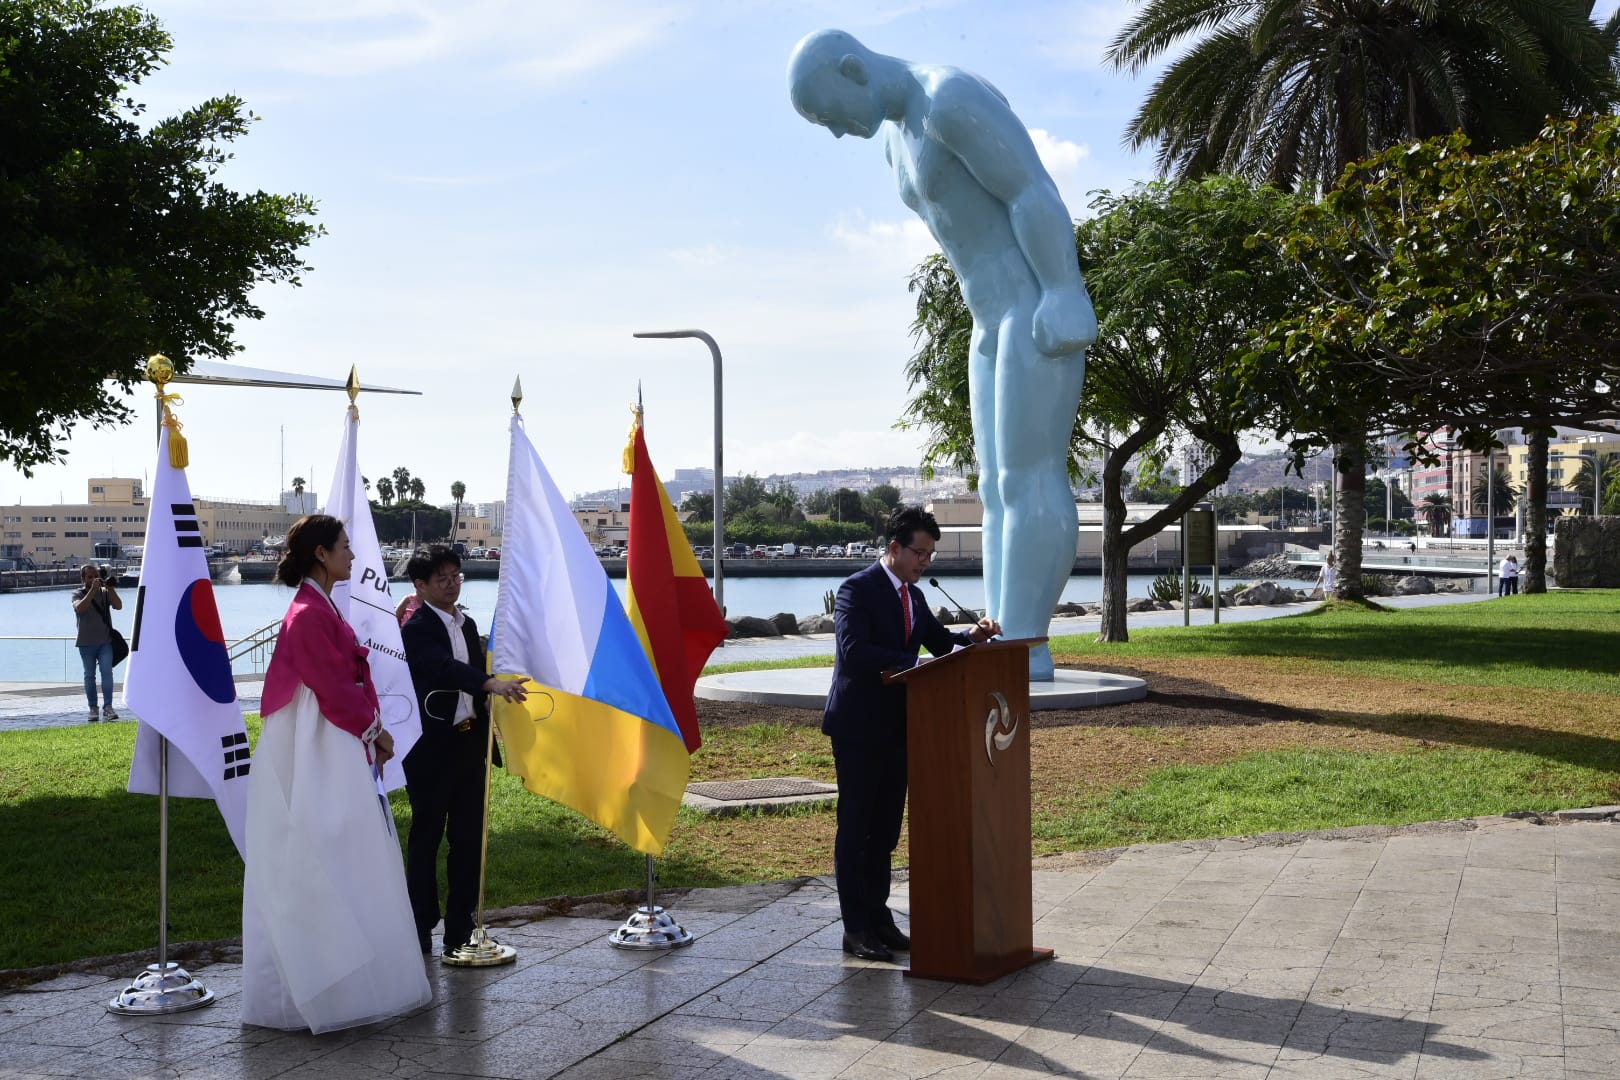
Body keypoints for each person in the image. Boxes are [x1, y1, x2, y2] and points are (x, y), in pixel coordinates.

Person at [789, 30, 1095, 681]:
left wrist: (1065, 290)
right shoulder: (899, 141)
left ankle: (1029, 647)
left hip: (1034, 306)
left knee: (1032, 477)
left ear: (853, 69)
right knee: (997, 487)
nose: (838, 133)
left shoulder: (948, 97)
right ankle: (1006, 642)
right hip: (989, 322)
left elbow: (1031, 191)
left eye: (830, 113)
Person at [241, 514, 430, 1033]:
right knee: (327, 840)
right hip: (319, 741)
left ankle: (347, 977)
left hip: (328, 735)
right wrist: (376, 730)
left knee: (342, 844)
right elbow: (332, 684)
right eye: (345, 548)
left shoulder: (315, 607)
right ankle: (329, 984)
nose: (351, 555)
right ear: (321, 554)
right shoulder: (307, 614)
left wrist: (368, 729)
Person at [823, 507, 1001, 963]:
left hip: (902, 727)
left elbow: (943, 645)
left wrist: (974, 637)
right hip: (859, 728)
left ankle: (881, 918)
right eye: (919, 553)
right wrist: (914, 663)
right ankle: (856, 928)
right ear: (895, 548)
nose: (925, 562)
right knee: (856, 829)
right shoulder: (856, 590)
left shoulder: (915, 600)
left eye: (930, 555)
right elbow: (855, 650)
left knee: (884, 832)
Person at [400, 545, 526, 957]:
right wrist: (487, 683)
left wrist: (494, 690)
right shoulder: (416, 628)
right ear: (420, 586)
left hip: (470, 745)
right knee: (426, 837)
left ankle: (461, 926)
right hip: (431, 750)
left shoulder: (467, 623)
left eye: (456, 576)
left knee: (469, 840)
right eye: (442, 579)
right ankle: (420, 924)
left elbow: (472, 667)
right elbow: (443, 668)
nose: (452, 584)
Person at [70, 564, 122, 721]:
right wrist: (92, 590)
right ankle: (93, 708)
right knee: (89, 676)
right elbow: (80, 609)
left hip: (105, 641)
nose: (93, 579)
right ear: (83, 578)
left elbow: (119, 606)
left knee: (107, 674)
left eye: (95, 576)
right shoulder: (77, 594)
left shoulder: (105, 593)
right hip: (86, 643)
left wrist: (110, 588)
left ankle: (108, 707)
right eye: (89, 577)